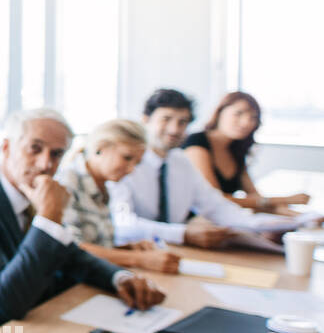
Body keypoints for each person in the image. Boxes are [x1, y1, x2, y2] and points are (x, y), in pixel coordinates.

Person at [0, 108, 164, 331]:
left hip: (25, 326)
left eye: (57, 153)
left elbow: (71, 255)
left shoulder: (30, 191)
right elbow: (8, 298)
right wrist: (48, 217)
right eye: (35, 149)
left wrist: (119, 277)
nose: (45, 164)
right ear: (7, 147)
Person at [108, 89, 295, 248]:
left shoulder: (181, 162)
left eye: (182, 122)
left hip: (176, 252)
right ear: (145, 120)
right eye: (166, 119)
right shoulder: (125, 163)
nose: (174, 129)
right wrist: (184, 233)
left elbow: (216, 206)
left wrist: (270, 224)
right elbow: (122, 223)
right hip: (135, 251)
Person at [56, 118, 180, 273]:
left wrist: (128, 249)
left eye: (137, 163)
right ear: (100, 147)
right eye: (127, 158)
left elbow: (95, 244)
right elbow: (71, 249)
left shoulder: (104, 186)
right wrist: (139, 259)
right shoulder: (67, 182)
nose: (131, 170)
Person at [183, 91, 310, 211]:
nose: (246, 123)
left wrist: (299, 216)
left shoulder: (235, 148)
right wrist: (284, 200)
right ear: (220, 112)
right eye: (238, 113)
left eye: (253, 118)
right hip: (194, 220)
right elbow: (215, 200)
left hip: (223, 218)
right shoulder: (196, 143)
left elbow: (255, 197)